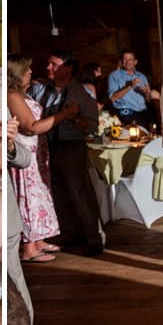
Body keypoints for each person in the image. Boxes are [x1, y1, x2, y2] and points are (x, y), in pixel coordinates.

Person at [7, 54, 76, 263]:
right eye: (26, 69)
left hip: (39, 153)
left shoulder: (24, 94)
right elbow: (31, 127)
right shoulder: (12, 96)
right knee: (28, 197)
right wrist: (62, 115)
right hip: (25, 154)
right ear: (17, 73)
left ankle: (38, 240)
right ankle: (29, 247)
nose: (30, 72)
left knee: (40, 196)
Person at [42, 49, 103, 255]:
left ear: (68, 68)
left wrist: (72, 119)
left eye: (54, 64)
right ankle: (69, 233)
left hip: (71, 146)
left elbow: (93, 125)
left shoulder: (81, 95)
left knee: (79, 192)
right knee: (57, 193)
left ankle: (93, 237)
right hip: (50, 147)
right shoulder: (44, 90)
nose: (49, 68)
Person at [106, 50, 158, 129]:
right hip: (126, 114)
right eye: (125, 59)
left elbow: (148, 100)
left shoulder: (142, 76)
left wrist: (147, 92)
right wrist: (129, 85)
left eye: (130, 59)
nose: (127, 62)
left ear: (135, 62)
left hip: (143, 115)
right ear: (121, 61)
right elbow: (112, 97)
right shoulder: (114, 76)